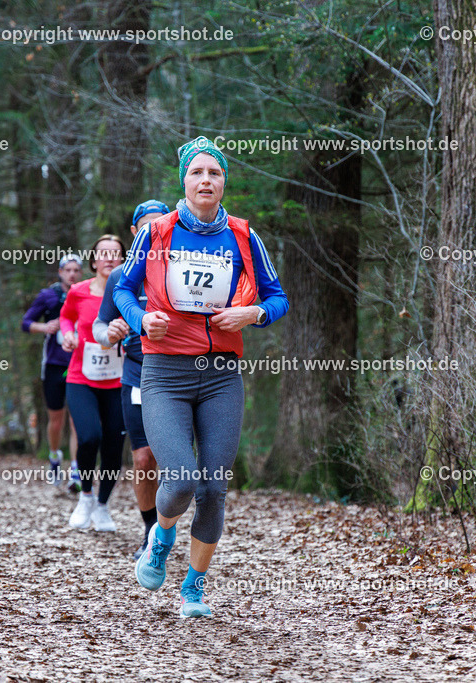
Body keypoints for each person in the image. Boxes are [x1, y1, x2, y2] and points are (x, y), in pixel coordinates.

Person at [115, 137, 289, 617]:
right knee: (183, 478)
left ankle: (193, 585)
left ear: (223, 181)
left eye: (214, 173)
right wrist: (140, 320)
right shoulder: (155, 235)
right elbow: (125, 292)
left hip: (220, 376)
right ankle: (160, 538)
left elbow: (278, 298)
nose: (206, 180)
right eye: (197, 173)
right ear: (184, 181)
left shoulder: (243, 237)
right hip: (165, 373)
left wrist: (253, 314)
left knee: (214, 486)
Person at [93, 199, 169, 559]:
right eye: (147, 227)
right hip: (138, 373)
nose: (155, 232)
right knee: (143, 459)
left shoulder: (181, 269)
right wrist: (110, 332)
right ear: (135, 233)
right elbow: (100, 325)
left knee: (177, 461)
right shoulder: (121, 277)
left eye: (161, 224)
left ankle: (172, 525)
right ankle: (151, 533)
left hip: (180, 375)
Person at [60, 235, 127, 531]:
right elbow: (65, 318)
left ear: (124, 260)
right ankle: (85, 495)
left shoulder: (129, 292)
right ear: (93, 260)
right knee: (88, 437)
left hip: (119, 381)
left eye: (116, 254)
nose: (109, 259)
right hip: (81, 378)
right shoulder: (78, 291)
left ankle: (102, 507)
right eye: (103, 254)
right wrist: (67, 335)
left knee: (114, 445)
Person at [22, 255, 83, 492]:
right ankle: (55, 457)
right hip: (54, 365)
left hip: (80, 364)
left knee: (76, 420)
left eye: (76, 270)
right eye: (68, 270)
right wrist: (44, 327)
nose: (72, 274)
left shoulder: (85, 293)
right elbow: (25, 323)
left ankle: (76, 471)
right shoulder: (48, 296)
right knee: (56, 420)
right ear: (60, 272)